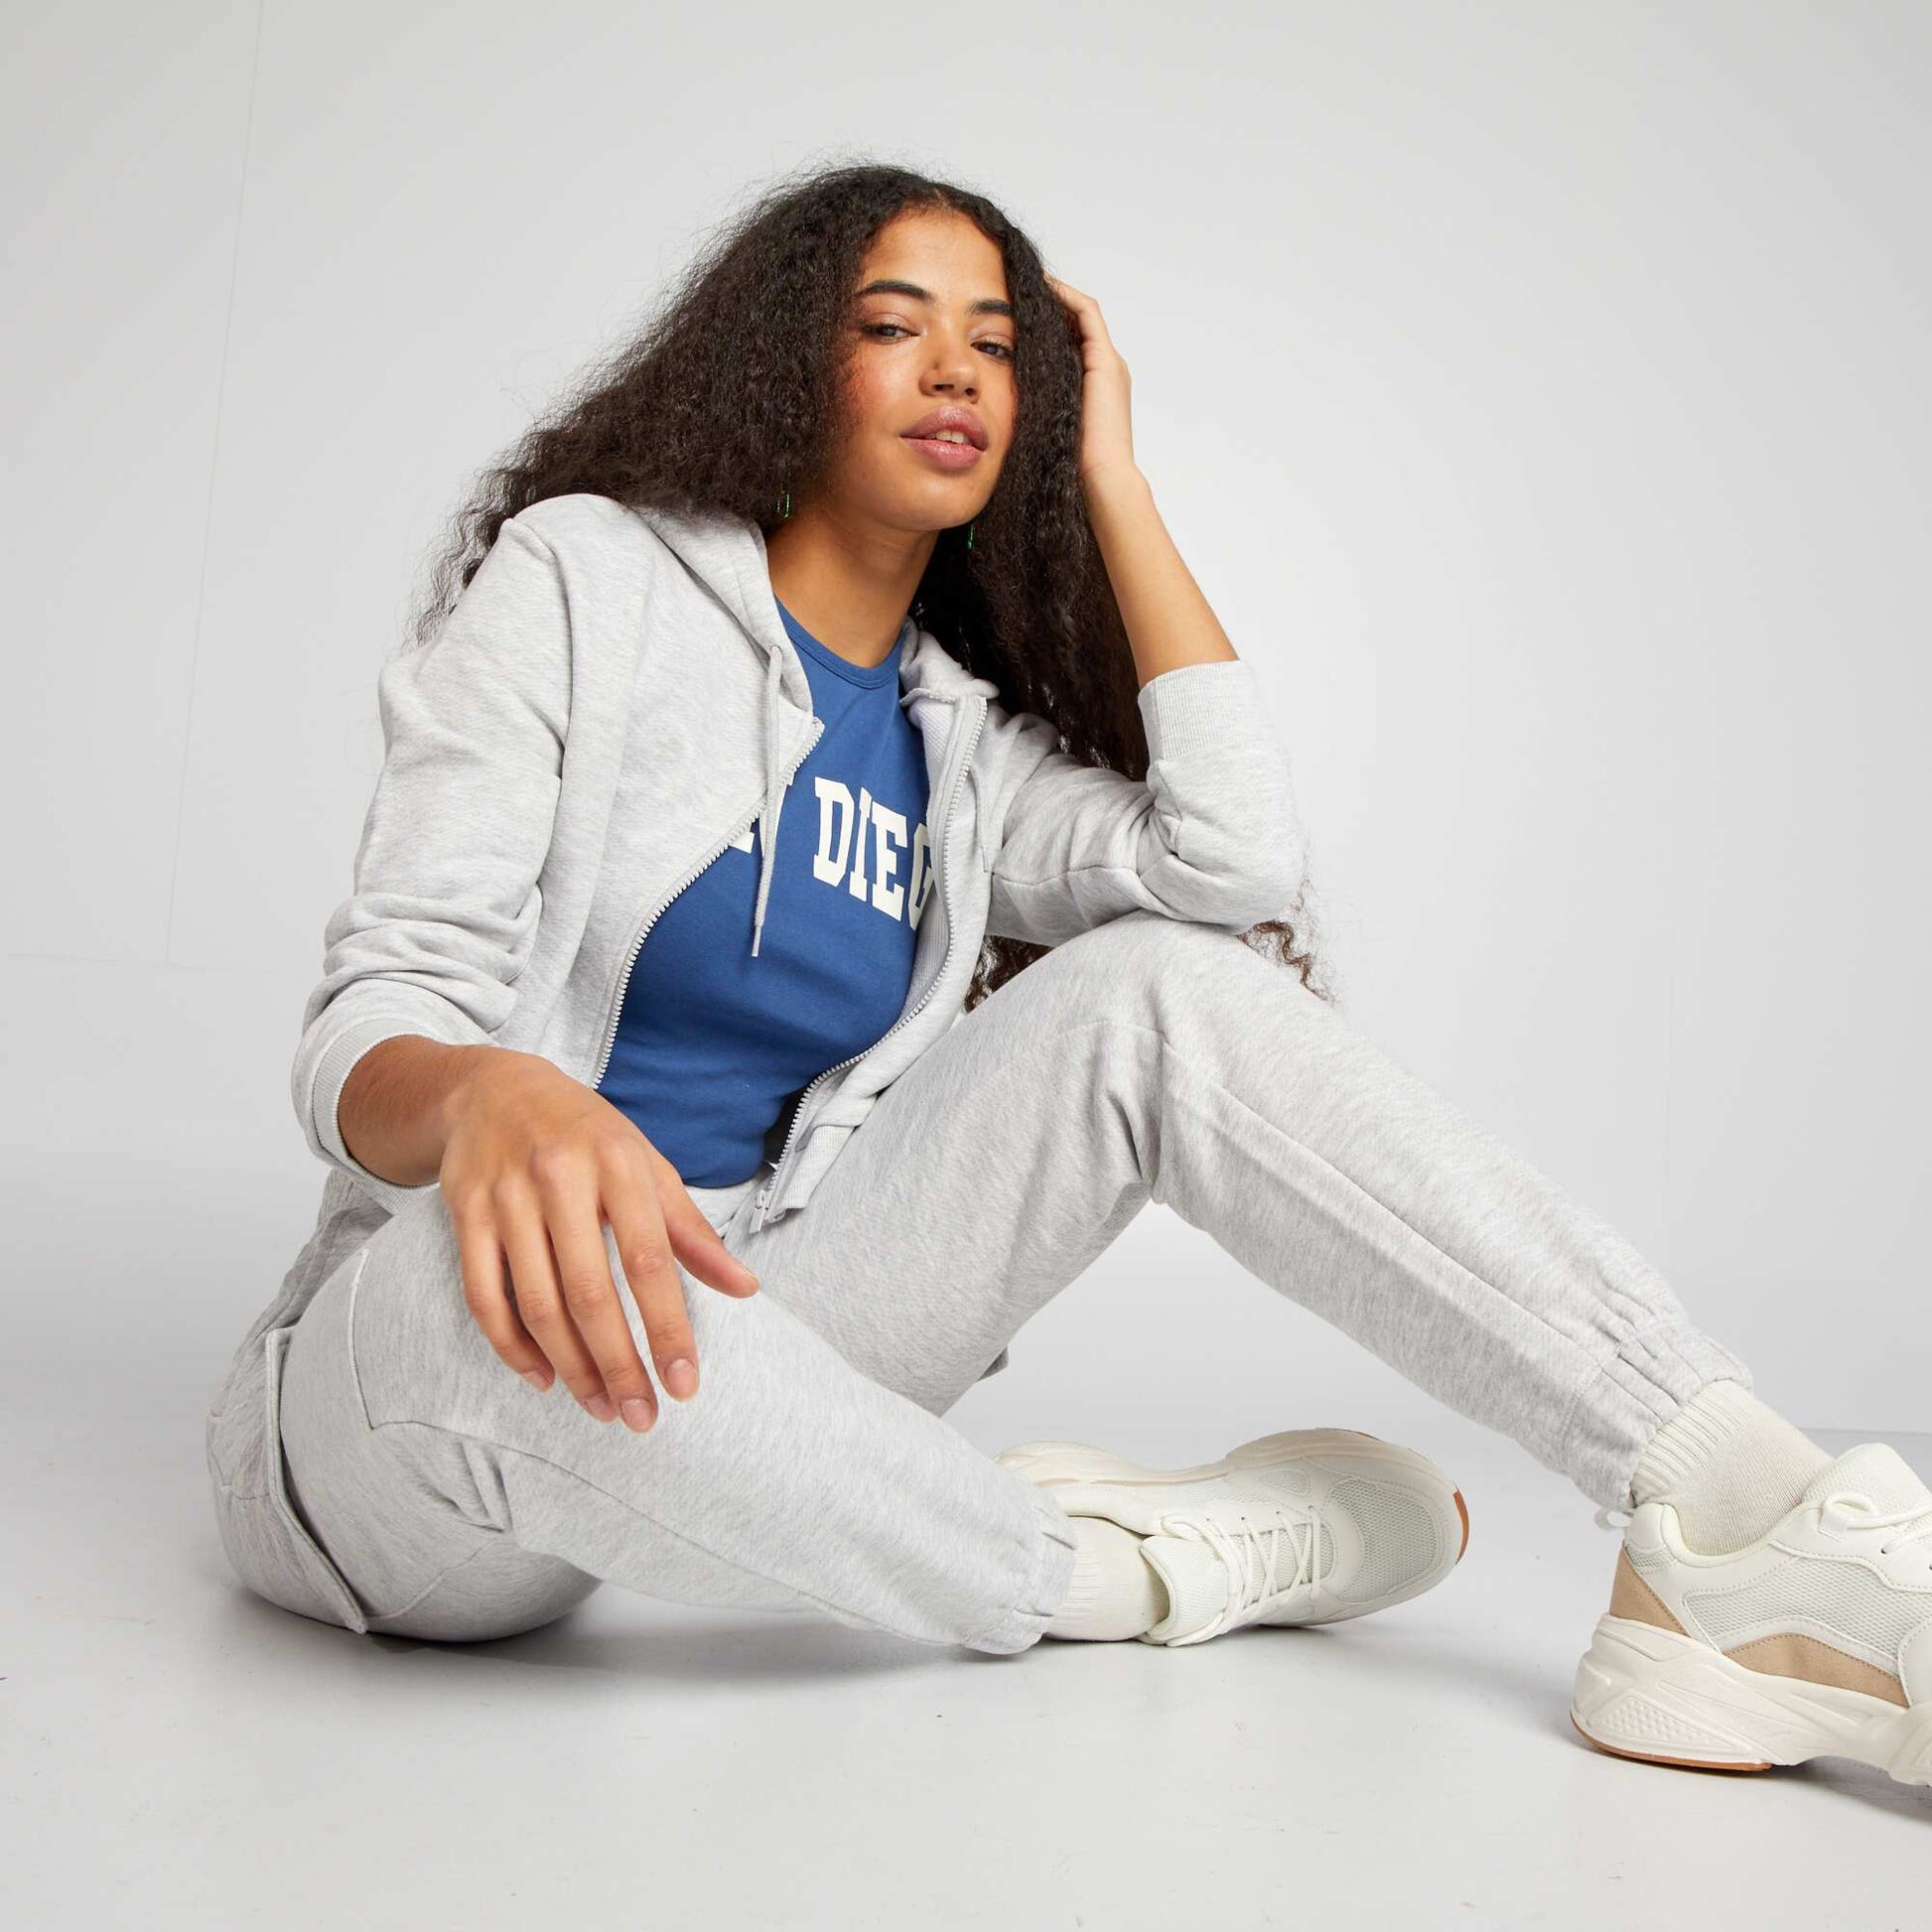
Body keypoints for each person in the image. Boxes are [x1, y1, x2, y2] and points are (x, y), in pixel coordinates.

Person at [204, 162, 1932, 1788]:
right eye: (891, 324)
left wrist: (1113, 479)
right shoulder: (587, 581)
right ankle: (1114, 1567)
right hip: (411, 1416)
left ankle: (1741, 1514)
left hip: (766, 1337)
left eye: (998, 343)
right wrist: (491, 1095)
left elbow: (1230, 864)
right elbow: (372, 1016)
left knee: (1164, 986)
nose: (953, 366)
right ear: (784, 363)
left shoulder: (957, 751)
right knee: (467, 1281)